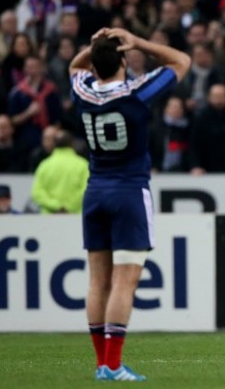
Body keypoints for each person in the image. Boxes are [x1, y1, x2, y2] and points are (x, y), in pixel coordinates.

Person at [69, 27, 190, 381]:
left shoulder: (84, 90)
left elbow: (73, 68)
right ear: (123, 60)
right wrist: (137, 41)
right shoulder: (135, 93)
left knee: (97, 283)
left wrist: (94, 47)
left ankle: (100, 365)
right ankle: (113, 364)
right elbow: (180, 59)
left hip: (95, 191)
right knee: (125, 281)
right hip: (129, 191)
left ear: (94, 65)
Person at [31, 130, 88, 214]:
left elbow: (37, 192)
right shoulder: (83, 165)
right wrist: (68, 207)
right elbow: (86, 190)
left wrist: (56, 206)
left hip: (49, 218)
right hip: (75, 217)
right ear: (73, 144)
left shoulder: (45, 165)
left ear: (54, 144)